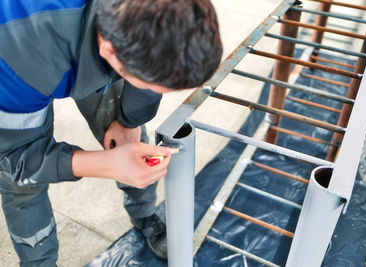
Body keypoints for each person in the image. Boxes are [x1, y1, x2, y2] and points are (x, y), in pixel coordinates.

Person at [0, 0, 222, 265]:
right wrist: (100, 164)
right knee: (22, 186)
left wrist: (129, 122)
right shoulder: (18, 57)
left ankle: (144, 213)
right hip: (21, 63)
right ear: (109, 51)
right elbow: (15, 158)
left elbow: (157, 62)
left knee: (129, 131)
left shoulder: (142, 17)